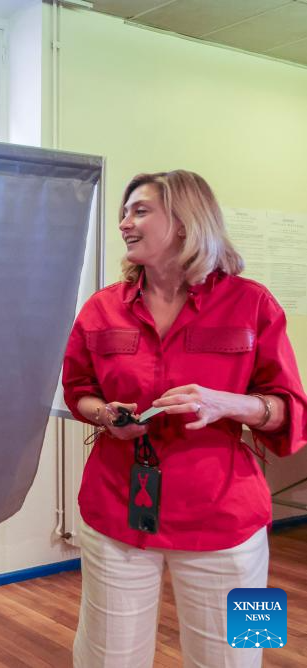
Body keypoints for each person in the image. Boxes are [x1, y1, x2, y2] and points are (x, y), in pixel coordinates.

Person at [62, 169, 307, 667]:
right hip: (116, 512)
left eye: (140, 211)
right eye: (124, 213)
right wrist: (105, 414)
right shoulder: (101, 307)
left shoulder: (253, 302)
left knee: (241, 655)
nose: (124, 223)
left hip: (230, 519)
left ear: (183, 222)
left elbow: (290, 407)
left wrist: (227, 404)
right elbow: (78, 391)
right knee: (105, 658)